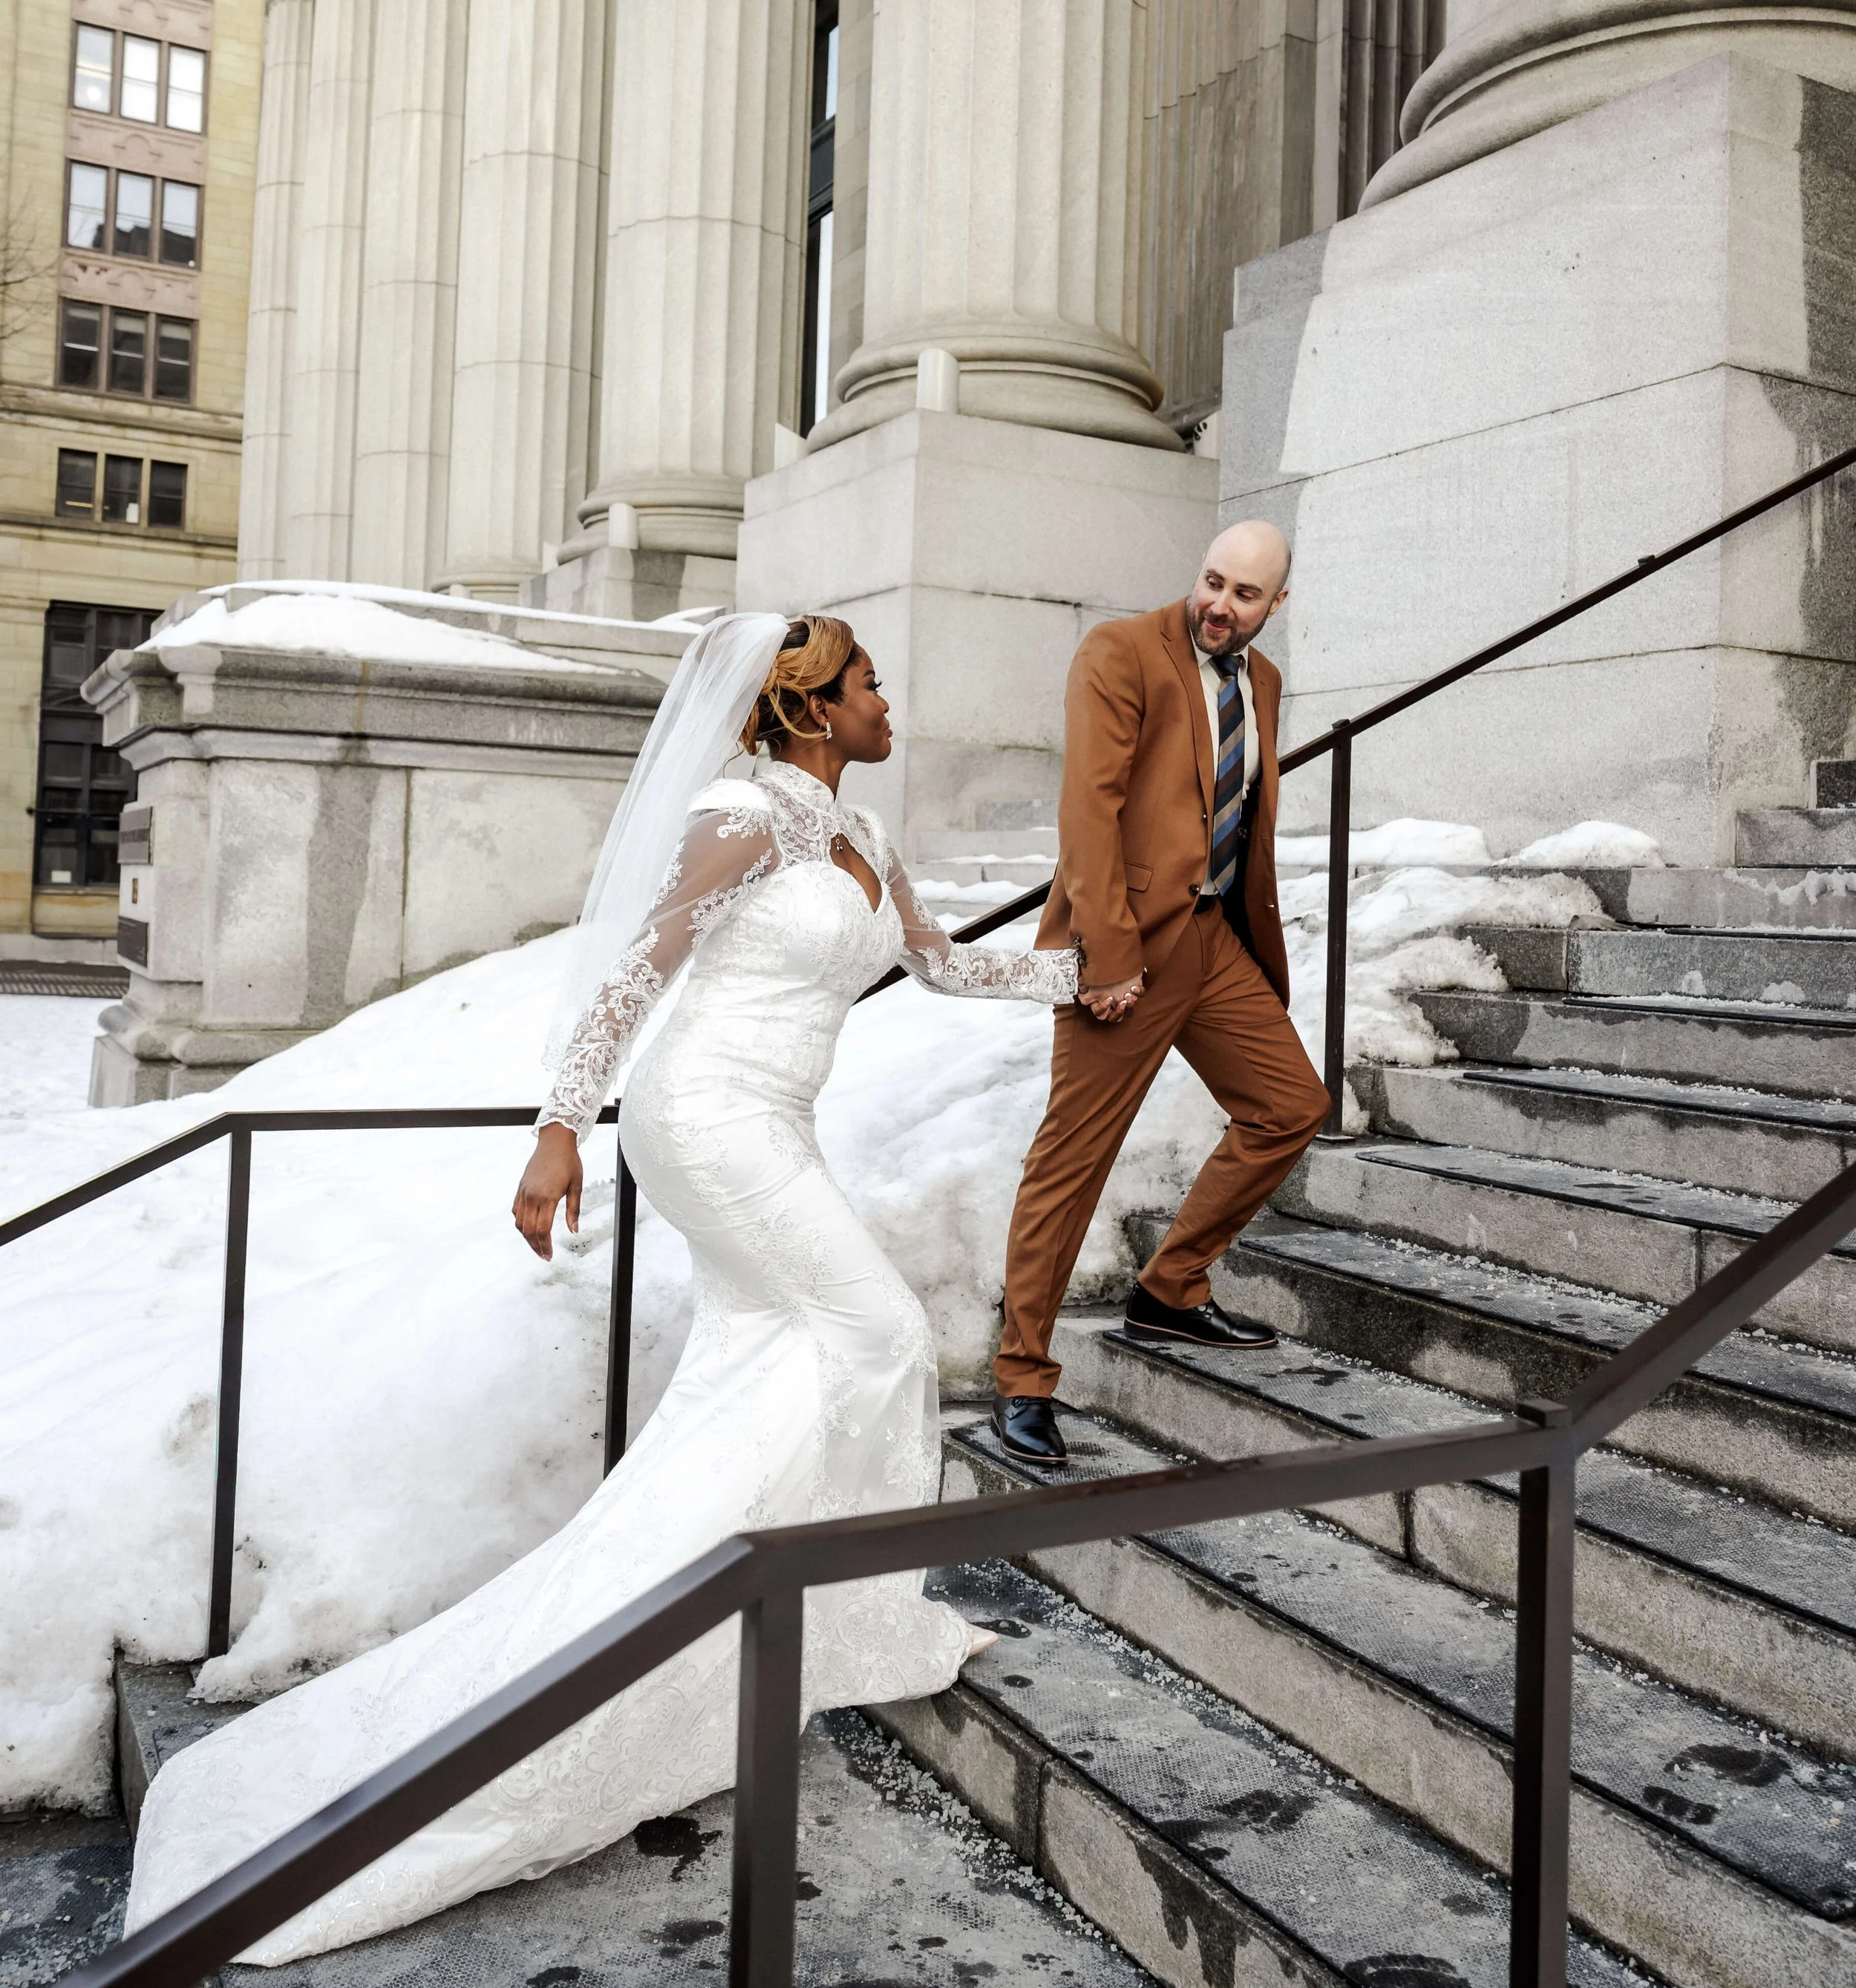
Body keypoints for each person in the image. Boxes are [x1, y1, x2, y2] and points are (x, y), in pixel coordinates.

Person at [125, 612, 1076, 1964]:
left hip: (777, 1126)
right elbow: (641, 965)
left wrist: (1080, 978)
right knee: (875, 1335)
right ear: (807, 709)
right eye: (867, 682)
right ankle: (771, 1605)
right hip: (706, 1117)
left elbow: (935, 962)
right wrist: (562, 1126)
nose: (887, 700)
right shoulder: (744, 814)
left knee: (779, 1363)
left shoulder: (862, 837)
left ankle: (757, 1598)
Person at [990, 520, 1330, 1465]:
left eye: (1245, 594)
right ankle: (1021, 1377)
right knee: (1073, 1161)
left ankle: (1170, 1288)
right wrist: (1106, 955)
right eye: (1213, 582)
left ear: (1277, 604)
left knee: (1289, 1105)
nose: (1220, 605)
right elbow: (1089, 811)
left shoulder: (1259, 682)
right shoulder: (1121, 652)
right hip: (1127, 946)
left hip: (1215, 939)